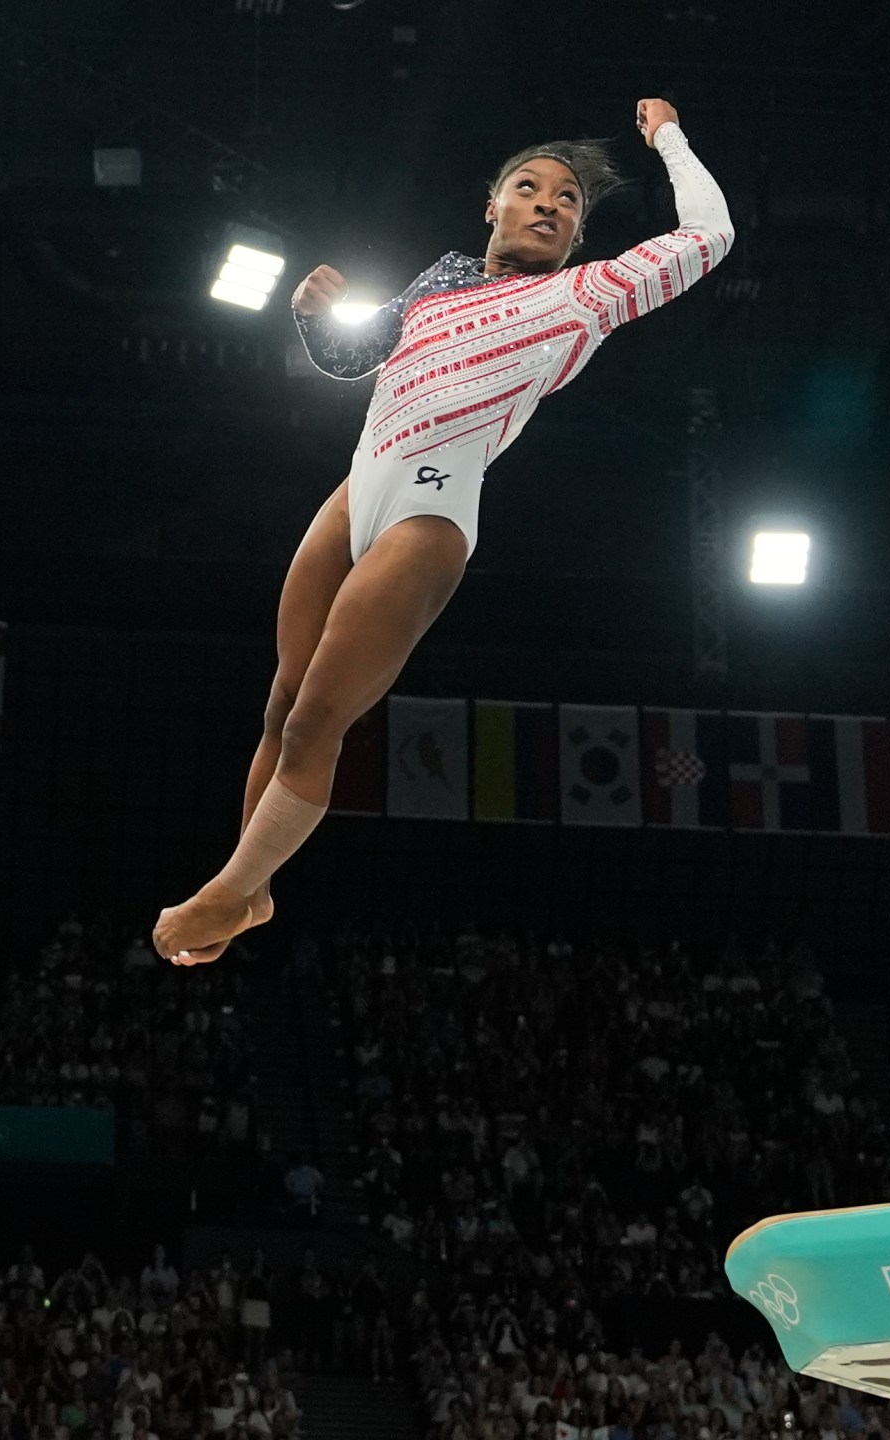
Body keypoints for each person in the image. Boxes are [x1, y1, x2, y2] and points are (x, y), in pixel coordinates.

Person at [154, 97, 733, 963]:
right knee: (279, 703)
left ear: (577, 235)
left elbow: (710, 236)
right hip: (356, 491)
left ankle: (229, 893)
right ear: (491, 207)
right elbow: (354, 359)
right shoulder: (438, 279)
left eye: (568, 199)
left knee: (317, 721)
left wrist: (671, 141)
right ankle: (254, 891)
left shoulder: (586, 295)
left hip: (429, 508)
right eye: (528, 187)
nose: (547, 202)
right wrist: (316, 317)